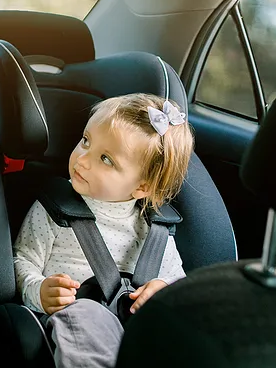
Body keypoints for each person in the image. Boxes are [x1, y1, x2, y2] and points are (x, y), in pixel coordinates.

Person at [13, 93, 193, 368]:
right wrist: (40, 291)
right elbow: (21, 262)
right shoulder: (54, 211)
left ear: (142, 187)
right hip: (73, 324)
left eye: (106, 159)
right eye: (85, 141)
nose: (82, 160)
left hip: (134, 333)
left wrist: (162, 290)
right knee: (84, 316)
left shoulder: (156, 229)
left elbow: (179, 284)